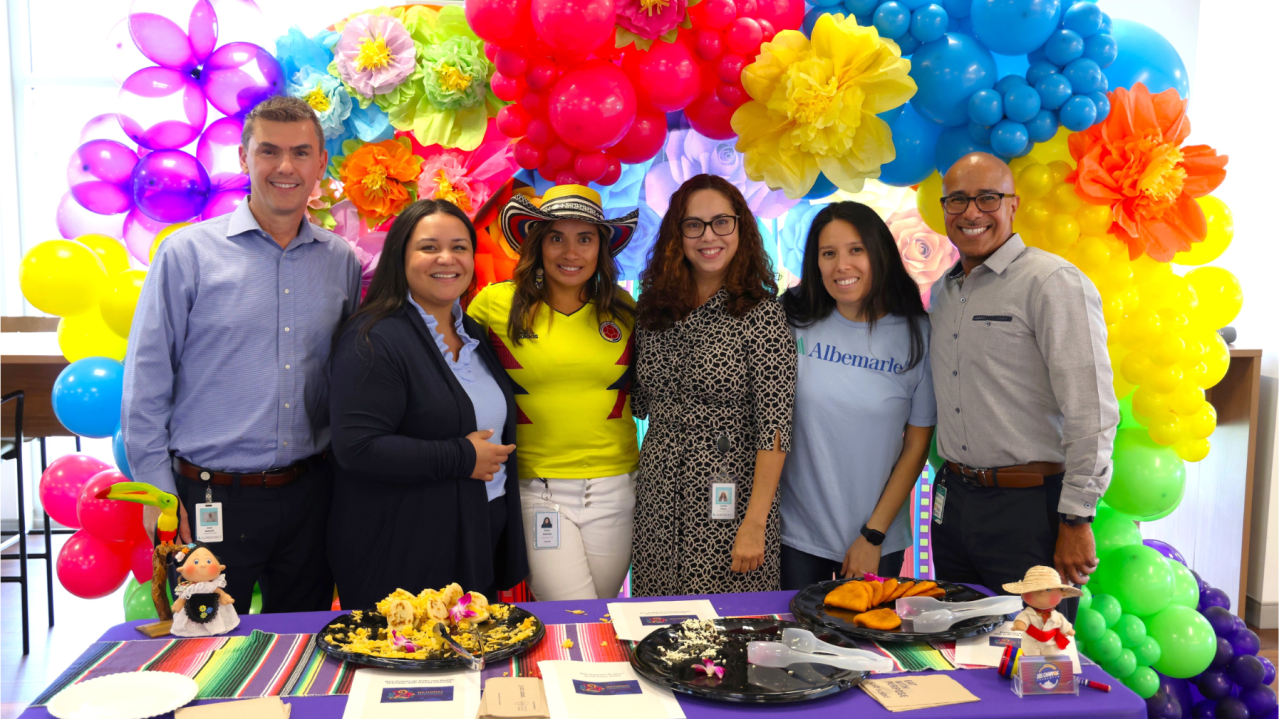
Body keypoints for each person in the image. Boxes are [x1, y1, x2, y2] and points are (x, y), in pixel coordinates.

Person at [121, 96, 361, 616]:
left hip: (310, 498)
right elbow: (146, 383)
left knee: (302, 648)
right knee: (200, 648)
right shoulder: (187, 254)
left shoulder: (339, 260)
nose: (284, 167)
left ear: (321, 162)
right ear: (243, 157)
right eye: (268, 151)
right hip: (205, 501)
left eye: (301, 152)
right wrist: (160, 497)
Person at [929, 152, 1118, 601]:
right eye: (957, 200)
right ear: (944, 211)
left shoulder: (1052, 282)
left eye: (987, 198)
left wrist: (1076, 519)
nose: (971, 212)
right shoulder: (944, 290)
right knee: (958, 648)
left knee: (1034, 655)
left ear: (1013, 205)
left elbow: (1091, 410)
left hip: (1030, 509)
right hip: (954, 503)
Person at [328, 199, 527, 609]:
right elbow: (358, 447)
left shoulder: (471, 332)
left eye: (459, 247)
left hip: (476, 534)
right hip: (405, 548)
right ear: (400, 255)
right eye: (429, 247)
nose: (446, 259)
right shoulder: (373, 338)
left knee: (472, 664)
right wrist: (461, 455)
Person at [467, 184, 640, 601]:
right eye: (556, 237)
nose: (570, 252)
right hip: (537, 489)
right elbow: (450, 373)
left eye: (585, 238)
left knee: (600, 613)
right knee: (573, 609)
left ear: (601, 247)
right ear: (537, 244)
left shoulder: (624, 308)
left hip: (618, 486)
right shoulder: (495, 304)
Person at [631, 173, 796, 596]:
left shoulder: (761, 315)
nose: (709, 236)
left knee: (728, 635)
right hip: (659, 495)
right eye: (694, 224)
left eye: (722, 222)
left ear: (741, 226)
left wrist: (756, 522)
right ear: (677, 233)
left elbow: (775, 428)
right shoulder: (652, 311)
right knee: (658, 628)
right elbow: (636, 400)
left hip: (733, 497)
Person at [779, 202, 936, 590]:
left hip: (876, 539)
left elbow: (916, 446)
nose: (841, 266)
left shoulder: (918, 333)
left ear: (878, 253)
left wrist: (874, 535)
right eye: (828, 254)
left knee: (866, 646)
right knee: (798, 647)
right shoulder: (793, 322)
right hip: (795, 537)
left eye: (856, 250)